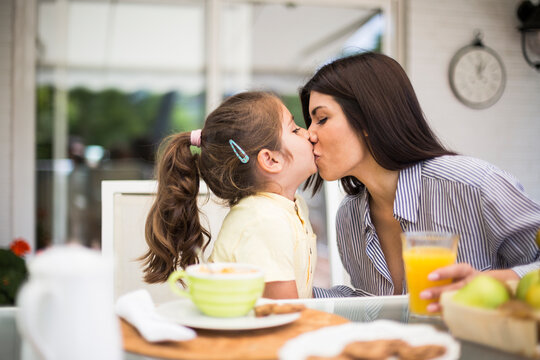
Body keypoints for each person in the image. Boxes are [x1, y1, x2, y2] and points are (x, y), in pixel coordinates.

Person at [300, 52, 540, 311]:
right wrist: (294, 294)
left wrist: (490, 282)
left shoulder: (474, 185)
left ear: (368, 116)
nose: (309, 134)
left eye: (322, 119)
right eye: (309, 122)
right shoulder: (349, 216)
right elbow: (372, 305)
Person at [140, 91, 317, 299]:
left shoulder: (288, 208)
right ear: (270, 160)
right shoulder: (265, 221)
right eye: (295, 130)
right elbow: (284, 312)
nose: (309, 134)